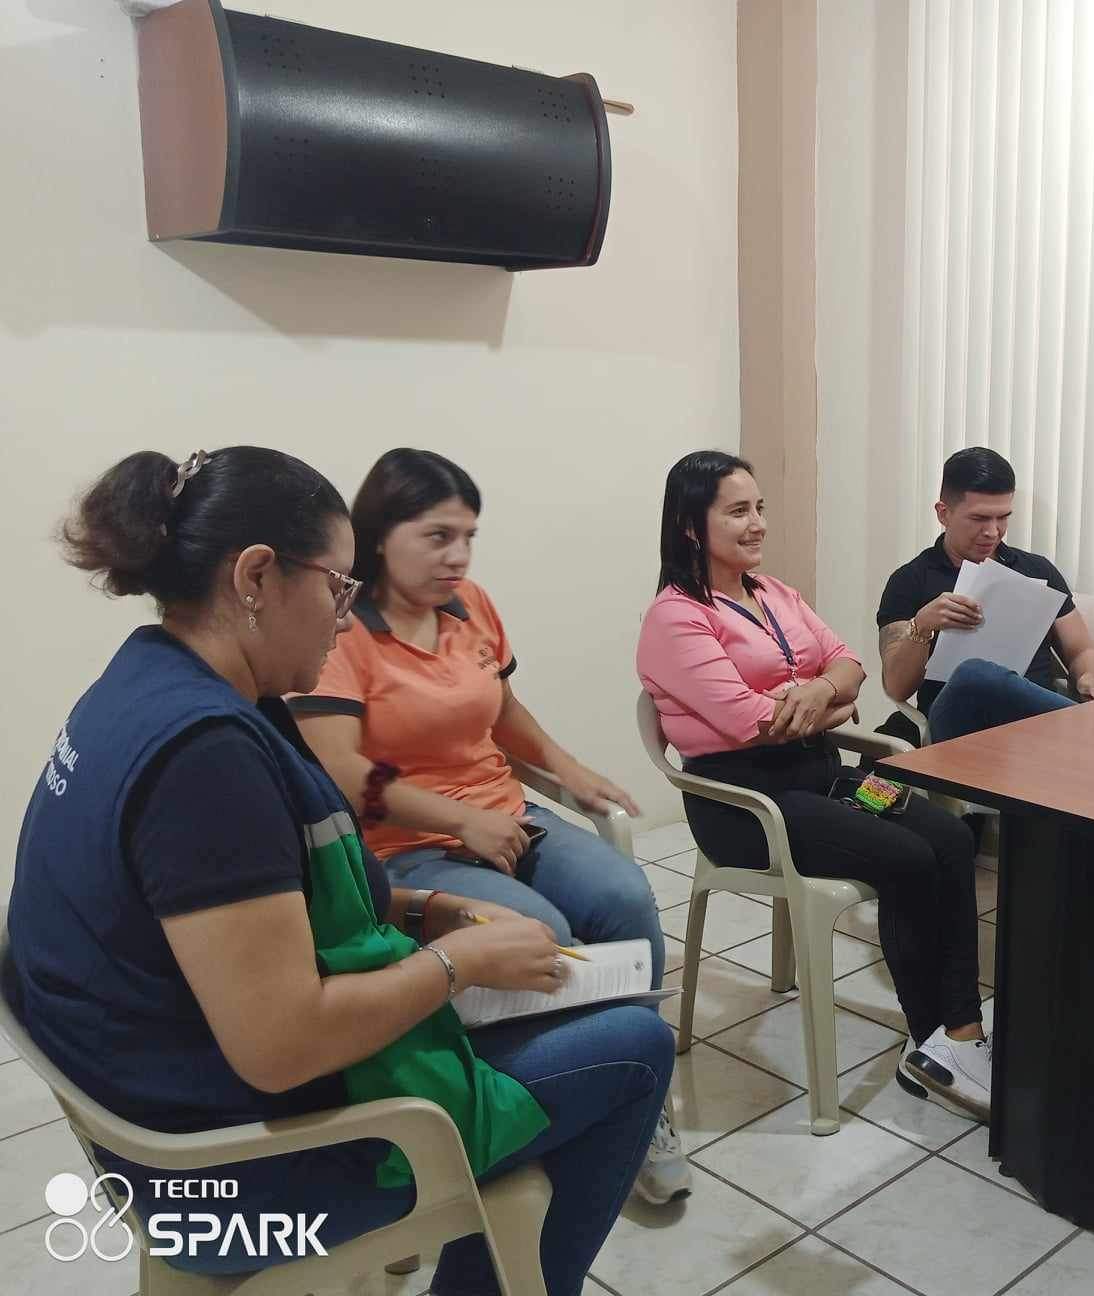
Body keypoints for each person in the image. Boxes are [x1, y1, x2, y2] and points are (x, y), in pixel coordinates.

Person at [8, 446, 673, 1293]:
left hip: (170, 1112)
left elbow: (263, 905)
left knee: (568, 977)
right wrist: (458, 962)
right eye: (336, 587)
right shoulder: (205, 758)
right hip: (230, 1177)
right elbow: (281, 1048)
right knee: (637, 1049)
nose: (343, 615)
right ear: (255, 576)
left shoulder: (150, 680)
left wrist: (428, 913)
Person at [289, 448, 688, 1204]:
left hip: (506, 816)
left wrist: (570, 769)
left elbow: (503, 712)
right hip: (407, 849)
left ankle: (642, 1090)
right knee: (540, 933)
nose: (459, 557)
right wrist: (458, 820)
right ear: (381, 536)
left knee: (623, 897)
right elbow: (338, 767)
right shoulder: (343, 631)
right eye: (438, 537)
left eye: (468, 537)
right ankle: (541, 1107)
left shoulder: (469, 605)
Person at [636, 451, 992, 1116]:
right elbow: (750, 723)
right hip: (750, 806)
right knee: (909, 858)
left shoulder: (774, 593)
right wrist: (827, 701)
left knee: (948, 835)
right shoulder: (675, 617)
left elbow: (850, 662)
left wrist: (821, 692)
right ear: (690, 526)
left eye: (759, 508)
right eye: (737, 511)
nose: (757, 524)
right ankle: (932, 1042)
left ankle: (963, 1029)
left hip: (832, 781)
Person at [877, 447, 1094, 746]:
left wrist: (1088, 677)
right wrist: (921, 625)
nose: (993, 531)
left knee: (993, 677)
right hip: (960, 727)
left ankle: (1087, 729)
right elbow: (896, 688)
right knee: (975, 673)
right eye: (979, 518)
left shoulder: (1037, 570)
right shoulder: (911, 580)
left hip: (1033, 727)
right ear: (944, 513)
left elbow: (1081, 650)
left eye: (1003, 518)